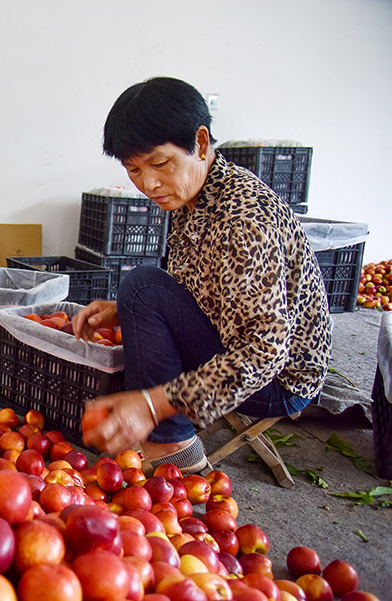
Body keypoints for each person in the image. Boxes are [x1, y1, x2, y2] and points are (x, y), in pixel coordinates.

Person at [73, 77, 332, 474]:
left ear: (201, 142)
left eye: (159, 164)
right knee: (140, 290)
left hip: (279, 380)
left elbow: (265, 352)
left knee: (141, 286)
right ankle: (167, 432)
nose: (149, 184)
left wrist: (151, 404)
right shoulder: (193, 193)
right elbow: (192, 283)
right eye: (134, 170)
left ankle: (172, 446)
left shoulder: (243, 220)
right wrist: (122, 310)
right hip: (231, 337)